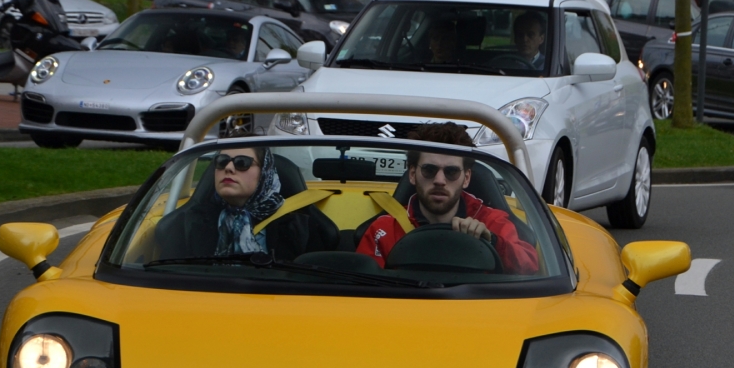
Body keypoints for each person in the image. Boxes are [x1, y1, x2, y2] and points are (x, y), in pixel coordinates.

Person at [356, 124, 539, 274]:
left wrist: (492, 241)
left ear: (466, 178)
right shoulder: (385, 228)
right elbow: (361, 287)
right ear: (412, 174)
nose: (439, 180)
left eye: (451, 172)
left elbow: (530, 266)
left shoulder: (492, 222)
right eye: (429, 170)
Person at [154, 145, 338, 260]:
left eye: (242, 163)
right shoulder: (188, 222)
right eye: (222, 161)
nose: (229, 168)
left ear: (265, 173)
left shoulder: (302, 227)